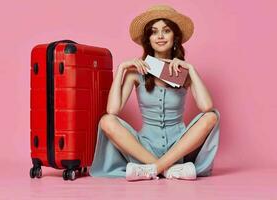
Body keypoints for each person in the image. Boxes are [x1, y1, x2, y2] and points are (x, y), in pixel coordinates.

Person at [89, 4, 220, 181]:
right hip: (144, 147)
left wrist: (191, 69)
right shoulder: (136, 72)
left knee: (212, 116)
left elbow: (206, 106)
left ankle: (153, 169)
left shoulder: (183, 73)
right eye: (154, 31)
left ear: (175, 37)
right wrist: (121, 69)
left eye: (166, 31)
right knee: (106, 121)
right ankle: (168, 170)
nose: (159, 36)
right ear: (148, 39)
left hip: (179, 146)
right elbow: (112, 111)